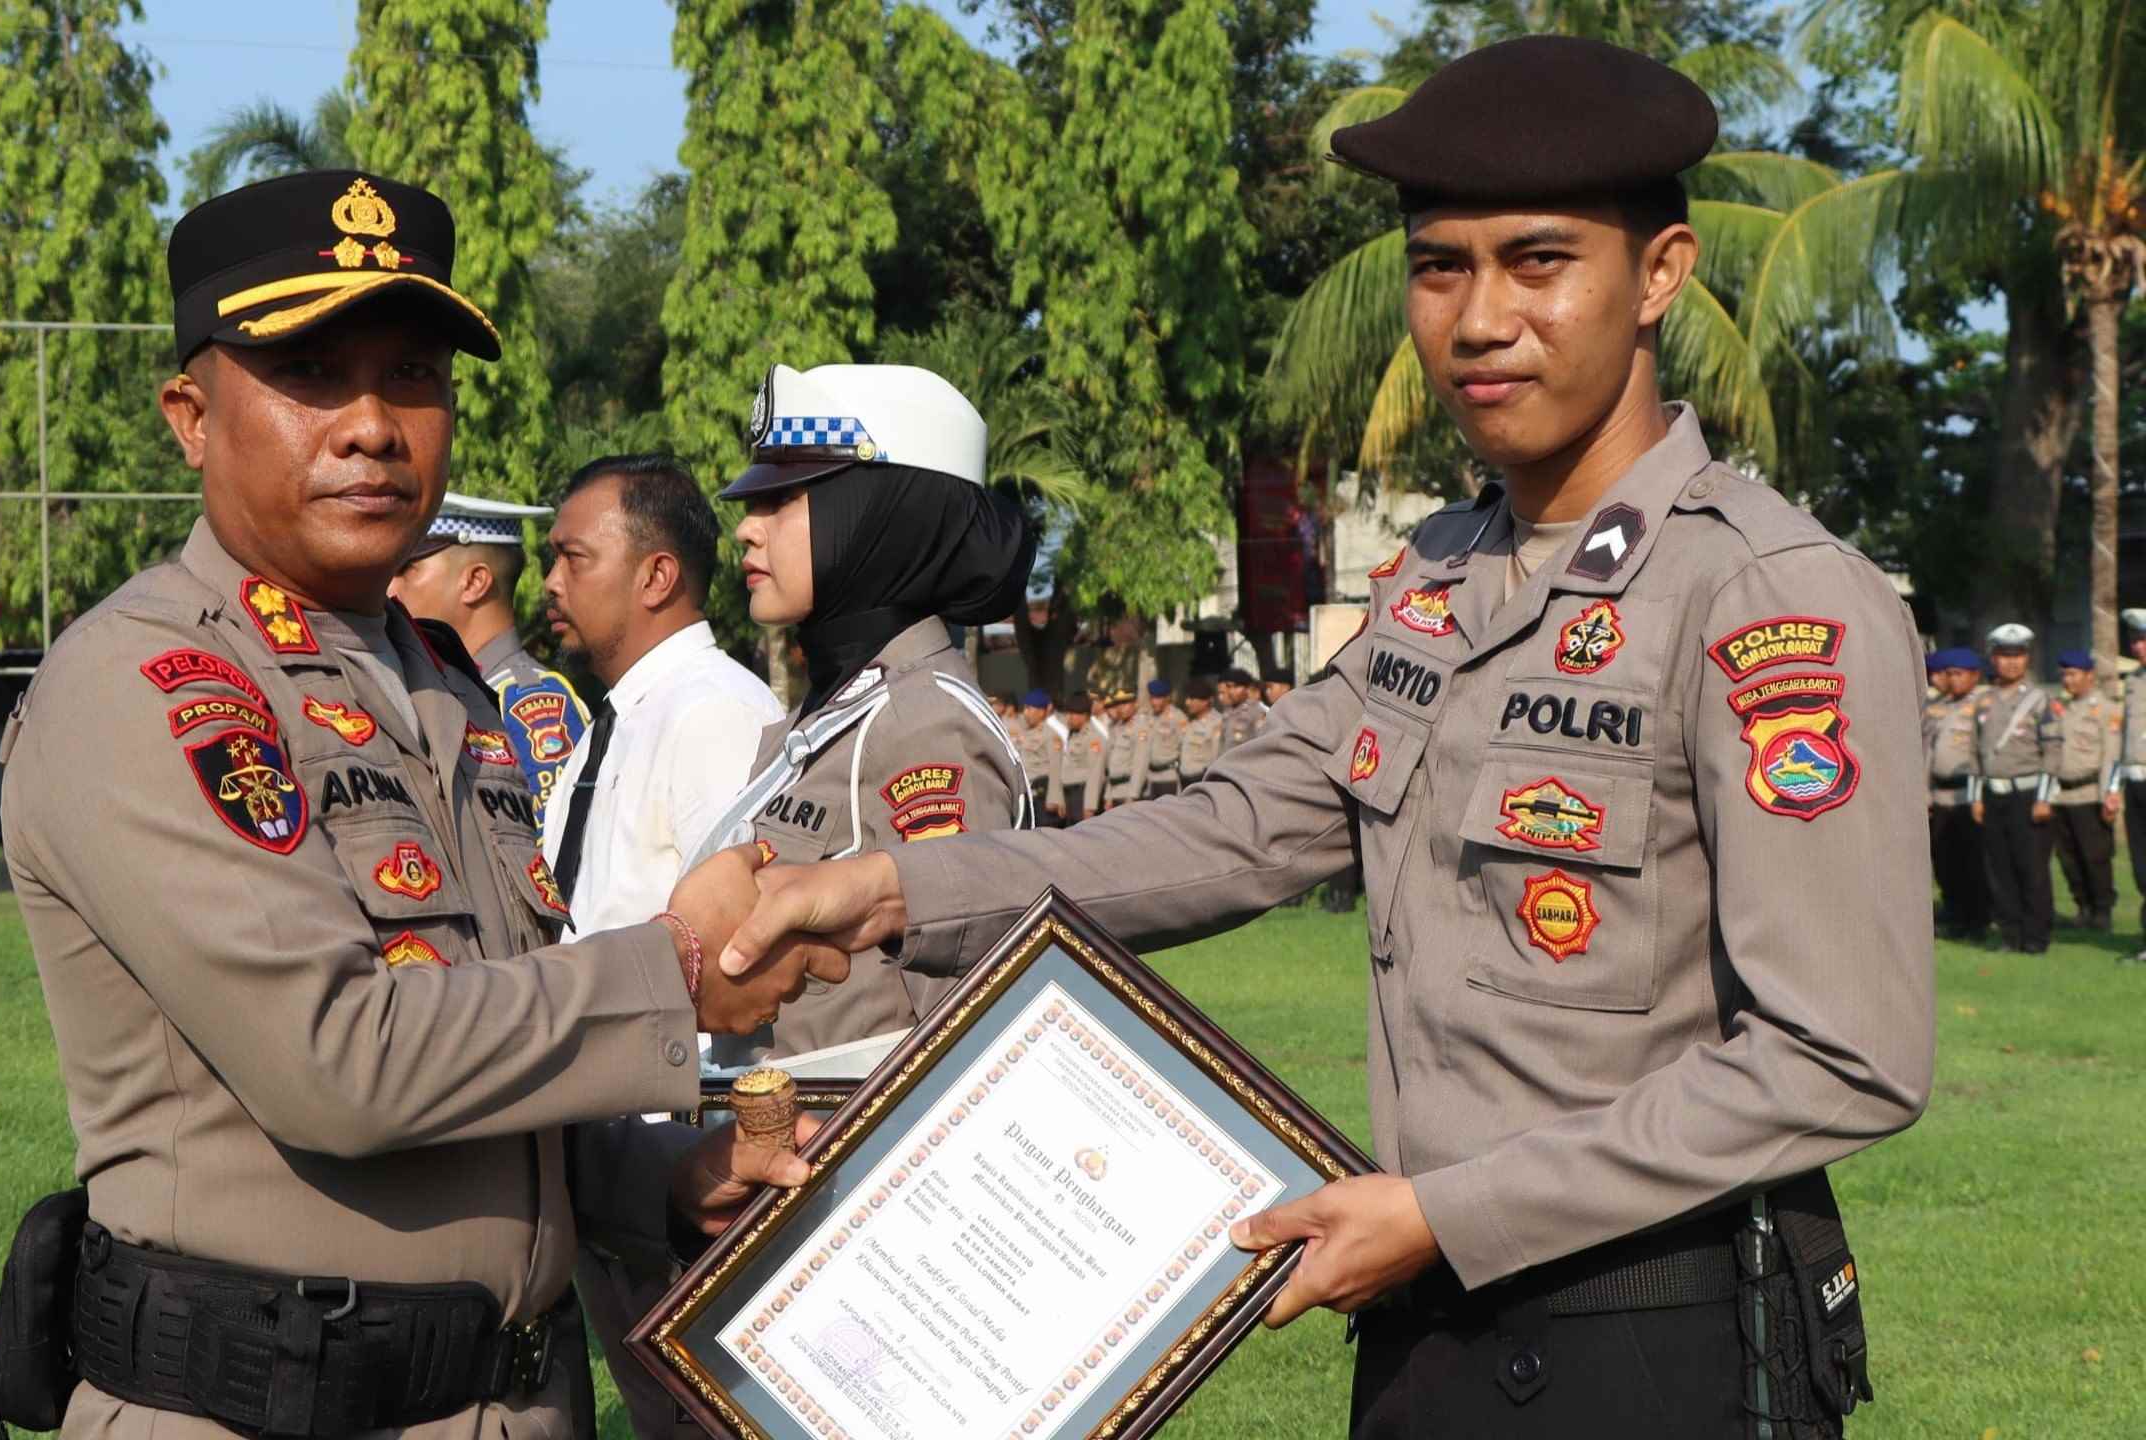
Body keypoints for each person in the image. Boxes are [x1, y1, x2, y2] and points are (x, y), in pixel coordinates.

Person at [702, 39, 1930, 1436]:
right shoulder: (1438, 582)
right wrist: (887, 891)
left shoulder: (1762, 595)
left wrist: (1450, 1215)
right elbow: (1237, 824)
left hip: (1647, 1340)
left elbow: (1844, 1056)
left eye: (1538, 263)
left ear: (1660, 274)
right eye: (1438, 267)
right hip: (1421, 1332)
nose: (1477, 321)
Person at [0, 170, 836, 1440]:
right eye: (312, 373)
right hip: (266, 1405)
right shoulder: (150, 680)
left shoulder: (441, 685)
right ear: (190, 416)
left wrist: (657, 1181)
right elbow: (339, 1063)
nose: (374, 425)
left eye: (413, 375)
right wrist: (671, 973)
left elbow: (490, 1045)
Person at [694, 360, 1036, 1060]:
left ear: (881, 514)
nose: (746, 531)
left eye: (780, 500)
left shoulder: (925, 730)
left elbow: (970, 1046)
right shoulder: (833, 712)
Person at [537, 454, 784, 937]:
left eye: (575, 558)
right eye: (553, 559)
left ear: (655, 578)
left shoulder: (716, 715)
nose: (551, 582)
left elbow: (738, 942)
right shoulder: (615, 722)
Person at [388, 491, 581, 840]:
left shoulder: (528, 703)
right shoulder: (443, 691)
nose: (389, 588)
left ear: (475, 583)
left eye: (406, 569)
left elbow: (553, 859)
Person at [1974, 622, 2062, 954]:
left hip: (2028, 795)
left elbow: (2053, 751)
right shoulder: (1983, 701)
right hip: (1992, 794)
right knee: (1999, 868)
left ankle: (2036, 937)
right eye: (2003, 655)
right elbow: (1975, 752)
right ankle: (2010, 934)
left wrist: (2044, 798)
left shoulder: (2041, 701)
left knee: (2032, 868)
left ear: (2027, 658)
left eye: (2018, 655)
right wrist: (1976, 798)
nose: (2010, 662)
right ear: (1992, 658)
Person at [1922, 646, 1988, 940]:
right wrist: (1925, 791)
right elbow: (1927, 752)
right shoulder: (1940, 707)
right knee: (1945, 862)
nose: (1953, 679)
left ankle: (1977, 920)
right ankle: (1955, 914)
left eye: (1958, 674)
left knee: (1972, 862)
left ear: (1975, 676)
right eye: (1949, 674)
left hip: (1967, 794)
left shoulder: (1984, 706)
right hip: (1941, 795)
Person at [2050, 650, 2116, 931]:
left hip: (2089, 794)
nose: (2068, 679)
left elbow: (2110, 755)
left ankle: (2101, 911)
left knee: (2095, 857)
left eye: (2073, 674)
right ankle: (2082, 907)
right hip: (2060, 795)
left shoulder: (2105, 708)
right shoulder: (2061, 708)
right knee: (2068, 857)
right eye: (2064, 674)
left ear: (2089, 675)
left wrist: (2109, 795)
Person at [2109, 610, 2146, 961]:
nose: (2139, 646)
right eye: (2135, 639)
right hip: (2135, 782)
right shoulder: (2134, 680)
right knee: (2141, 866)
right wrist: (2113, 785)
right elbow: (2124, 737)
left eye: (2143, 639)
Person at [1048, 690, 1105, 823]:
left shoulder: (1094, 738)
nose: (1069, 717)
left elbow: (1095, 774)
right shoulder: (1070, 735)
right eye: (1068, 713)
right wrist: (1060, 799)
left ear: (1084, 716)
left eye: (1073, 714)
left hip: (1082, 795)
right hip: (1068, 794)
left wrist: (1089, 806)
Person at [1013, 687, 1059, 818]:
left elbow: (1056, 768)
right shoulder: (1025, 733)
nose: (1025, 713)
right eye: (1024, 708)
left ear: (1041, 712)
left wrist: (1054, 799)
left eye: (1029, 709)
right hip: (1026, 796)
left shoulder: (1050, 735)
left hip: (1042, 797)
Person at [1141, 678, 1186, 796]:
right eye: (1152, 698)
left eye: (1158, 698)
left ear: (1167, 698)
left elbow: (1185, 747)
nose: (1154, 702)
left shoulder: (1178, 718)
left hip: (1168, 777)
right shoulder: (1147, 717)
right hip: (1149, 778)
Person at [1102, 688, 1144, 807]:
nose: (1121, 708)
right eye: (1119, 704)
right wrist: (1108, 795)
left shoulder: (1141, 727)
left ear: (1135, 704)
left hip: (1128, 793)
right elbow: (1113, 764)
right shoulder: (1117, 728)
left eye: (1125, 703)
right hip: (1115, 792)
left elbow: (1140, 764)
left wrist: (1132, 796)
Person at [1178, 676, 1223, 783]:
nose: (1187, 703)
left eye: (1192, 699)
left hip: (1202, 781)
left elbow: (1217, 758)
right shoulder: (1188, 721)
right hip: (1183, 780)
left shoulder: (1217, 723)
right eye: (1187, 698)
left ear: (1206, 701)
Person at [1221, 667, 1267, 750]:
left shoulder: (1257, 712)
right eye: (1229, 687)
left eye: (1236, 687)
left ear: (1247, 688)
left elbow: (1262, 745)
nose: (1231, 691)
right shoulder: (1228, 711)